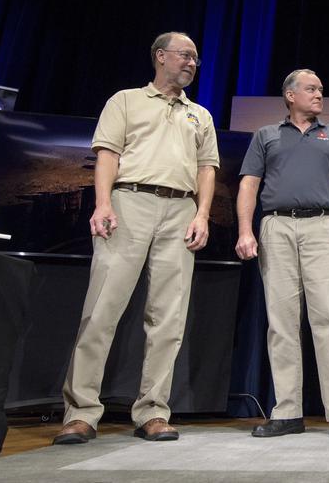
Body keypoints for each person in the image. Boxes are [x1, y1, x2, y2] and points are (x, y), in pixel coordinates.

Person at [55, 32, 219, 445]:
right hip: (129, 203)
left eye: (196, 58)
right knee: (102, 308)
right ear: (160, 56)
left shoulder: (200, 114)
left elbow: (207, 169)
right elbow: (107, 155)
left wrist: (202, 214)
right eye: (185, 55)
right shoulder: (126, 100)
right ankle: (81, 412)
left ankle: (153, 411)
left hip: (180, 210)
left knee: (168, 317)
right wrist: (102, 204)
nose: (192, 63)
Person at [234, 69, 329, 439]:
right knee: (281, 322)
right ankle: (287, 412)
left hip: (323, 226)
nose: (319, 94)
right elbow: (249, 184)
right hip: (277, 226)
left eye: (321, 89)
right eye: (311, 89)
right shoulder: (266, 135)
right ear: (290, 95)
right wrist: (245, 230)